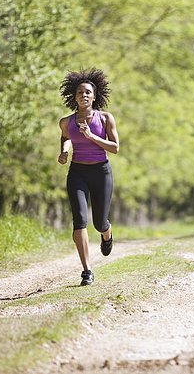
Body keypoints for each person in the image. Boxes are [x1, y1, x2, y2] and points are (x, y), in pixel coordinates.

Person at [57, 68, 120, 286]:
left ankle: (107, 233)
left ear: (94, 97)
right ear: (74, 97)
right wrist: (64, 151)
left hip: (101, 172)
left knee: (99, 222)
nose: (83, 95)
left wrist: (91, 136)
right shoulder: (67, 121)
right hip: (77, 173)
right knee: (79, 221)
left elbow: (115, 147)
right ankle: (87, 270)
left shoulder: (104, 118)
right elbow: (65, 137)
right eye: (80, 93)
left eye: (87, 93)